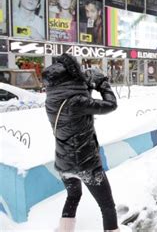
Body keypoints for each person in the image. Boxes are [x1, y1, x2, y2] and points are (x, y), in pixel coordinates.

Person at [42, 54, 119, 231]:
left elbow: (79, 107)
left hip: (63, 164)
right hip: (86, 165)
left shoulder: (51, 101)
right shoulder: (77, 102)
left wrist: (86, 85)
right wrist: (102, 83)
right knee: (107, 206)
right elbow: (111, 104)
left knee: (73, 196)